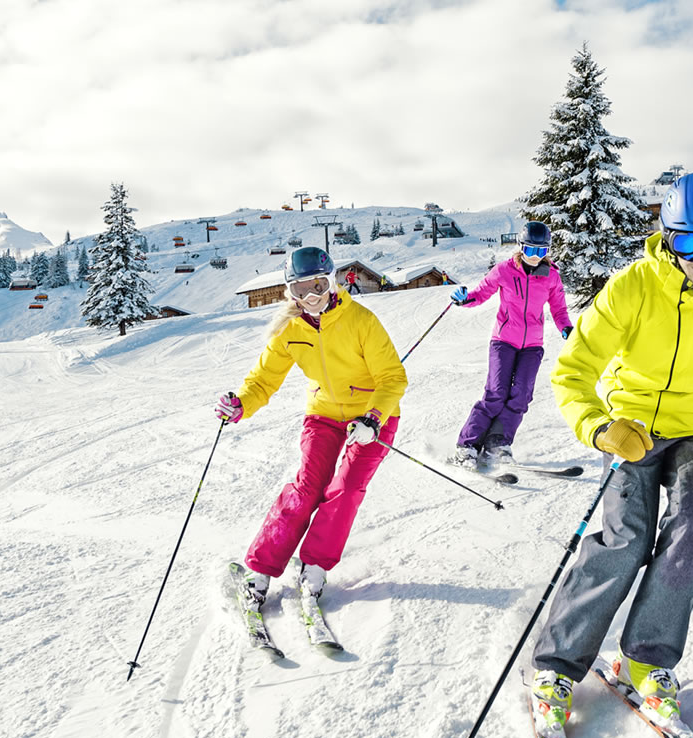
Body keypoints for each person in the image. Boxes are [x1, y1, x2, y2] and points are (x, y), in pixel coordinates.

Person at [528, 171, 693, 734]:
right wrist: (599, 428)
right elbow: (572, 371)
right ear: (666, 236)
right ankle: (557, 665)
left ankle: (646, 657)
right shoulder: (633, 285)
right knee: (626, 537)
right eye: (686, 242)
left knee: (691, 530)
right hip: (632, 427)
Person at [214, 247, 408, 631]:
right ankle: (259, 572)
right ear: (290, 291)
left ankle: (314, 567)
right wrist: (241, 404)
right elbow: (263, 380)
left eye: (318, 285)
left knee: (347, 487)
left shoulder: (361, 320)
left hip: (373, 417)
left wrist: (372, 417)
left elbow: (393, 378)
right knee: (309, 486)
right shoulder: (290, 328)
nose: (312, 297)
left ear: (332, 280)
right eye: (300, 290)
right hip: (323, 414)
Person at [446, 221, 573, 470]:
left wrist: (565, 327)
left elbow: (558, 308)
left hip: (533, 344)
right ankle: (467, 447)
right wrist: (465, 299)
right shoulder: (504, 270)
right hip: (503, 341)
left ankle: (498, 444)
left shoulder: (551, 277)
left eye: (542, 251)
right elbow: (482, 292)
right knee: (495, 394)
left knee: (521, 396)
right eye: (530, 250)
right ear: (520, 247)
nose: (535, 257)